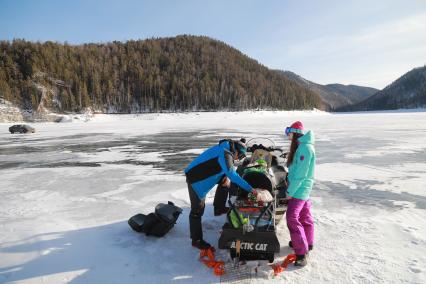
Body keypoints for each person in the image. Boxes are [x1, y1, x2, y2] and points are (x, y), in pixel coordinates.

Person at [184, 138, 257, 250]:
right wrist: (250, 189)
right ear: (236, 151)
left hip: (209, 171)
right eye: (241, 156)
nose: (239, 159)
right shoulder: (225, 154)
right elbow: (232, 175)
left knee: (225, 182)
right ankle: (196, 240)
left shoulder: (227, 148)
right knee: (197, 210)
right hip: (196, 179)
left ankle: (219, 208)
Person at [284, 121, 316, 267]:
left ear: (295, 132)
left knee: (292, 218)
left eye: (288, 132)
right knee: (305, 217)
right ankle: (307, 242)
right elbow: (297, 169)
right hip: (303, 189)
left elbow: (301, 175)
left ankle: (301, 253)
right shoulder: (303, 147)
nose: (287, 136)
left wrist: (290, 192)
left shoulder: (304, 149)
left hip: (299, 190)